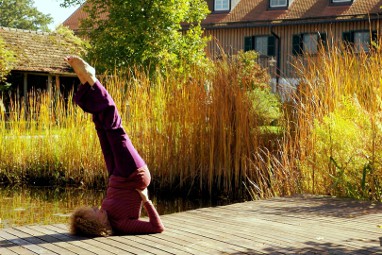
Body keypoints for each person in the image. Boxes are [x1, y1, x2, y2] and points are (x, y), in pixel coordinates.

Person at [65, 56, 164, 237]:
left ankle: (86, 84)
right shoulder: (122, 225)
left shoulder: (106, 213)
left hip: (116, 176)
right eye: (94, 211)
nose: (96, 207)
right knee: (115, 129)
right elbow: (157, 227)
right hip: (134, 175)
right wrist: (146, 201)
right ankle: (92, 78)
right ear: (96, 224)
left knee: (101, 128)